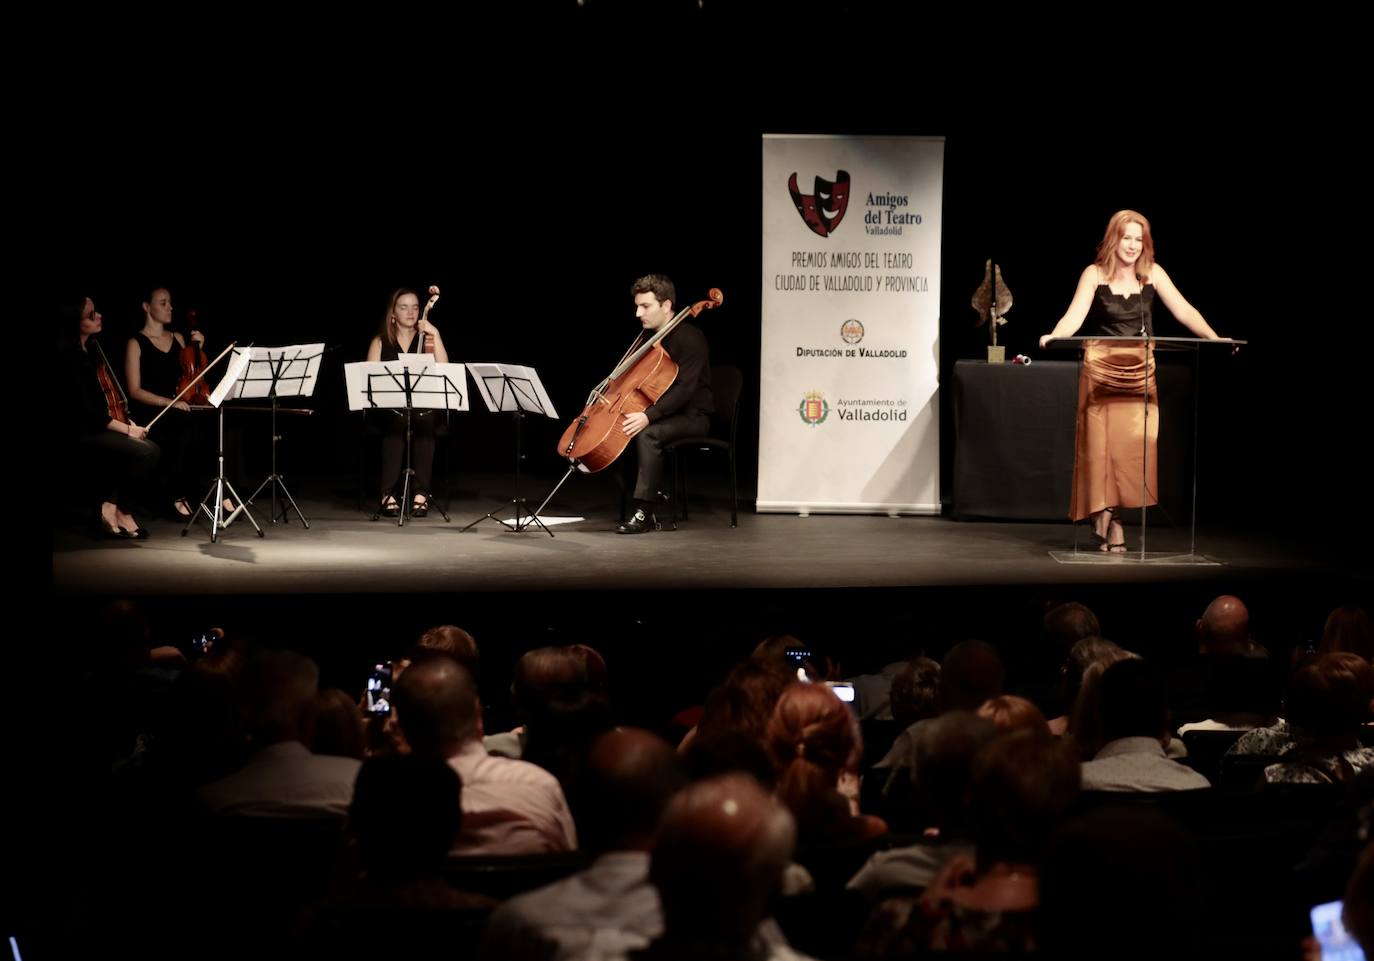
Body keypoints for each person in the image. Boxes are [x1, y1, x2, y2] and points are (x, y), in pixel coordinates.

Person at [1039, 211, 1225, 552]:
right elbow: (1074, 316)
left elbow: (1184, 310)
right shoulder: (1094, 274)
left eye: (1139, 239)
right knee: (1101, 452)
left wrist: (1215, 338)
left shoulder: (1152, 274)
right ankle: (1113, 522)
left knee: (1130, 454)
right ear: (1114, 239)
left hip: (1139, 372)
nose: (1133, 245)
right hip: (1101, 370)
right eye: (1127, 237)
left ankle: (1111, 518)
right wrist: (1055, 334)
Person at [616, 273, 713, 534]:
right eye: (637, 306)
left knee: (647, 434)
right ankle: (654, 494)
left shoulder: (691, 338)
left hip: (692, 415)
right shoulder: (648, 339)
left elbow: (684, 389)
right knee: (621, 430)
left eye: (645, 306)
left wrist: (649, 415)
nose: (638, 313)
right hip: (664, 413)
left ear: (667, 306)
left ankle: (644, 511)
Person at [61, 295, 159, 538]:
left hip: (100, 425)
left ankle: (119, 510)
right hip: (81, 430)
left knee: (147, 447)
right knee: (147, 451)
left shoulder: (93, 349)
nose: (99, 316)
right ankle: (113, 507)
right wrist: (127, 430)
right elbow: (87, 413)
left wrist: (127, 420)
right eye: (91, 314)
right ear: (75, 322)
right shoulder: (68, 356)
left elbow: (108, 397)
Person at [124, 286, 220, 518]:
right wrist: (169, 402)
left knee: (213, 419)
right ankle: (176, 495)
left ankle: (214, 491)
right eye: (163, 303)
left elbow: (192, 375)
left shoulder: (178, 338)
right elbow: (134, 390)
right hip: (153, 411)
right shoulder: (135, 343)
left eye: (170, 303)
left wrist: (199, 349)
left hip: (181, 406)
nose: (170, 307)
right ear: (147, 307)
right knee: (184, 426)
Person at [366, 287, 448, 518]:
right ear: (393, 313)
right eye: (404, 307)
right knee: (397, 420)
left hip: (421, 407)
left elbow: (444, 369)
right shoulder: (381, 341)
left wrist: (436, 334)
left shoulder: (428, 339)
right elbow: (370, 381)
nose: (411, 312)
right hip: (389, 408)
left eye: (415, 307)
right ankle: (387, 493)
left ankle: (420, 494)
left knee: (425, 420)